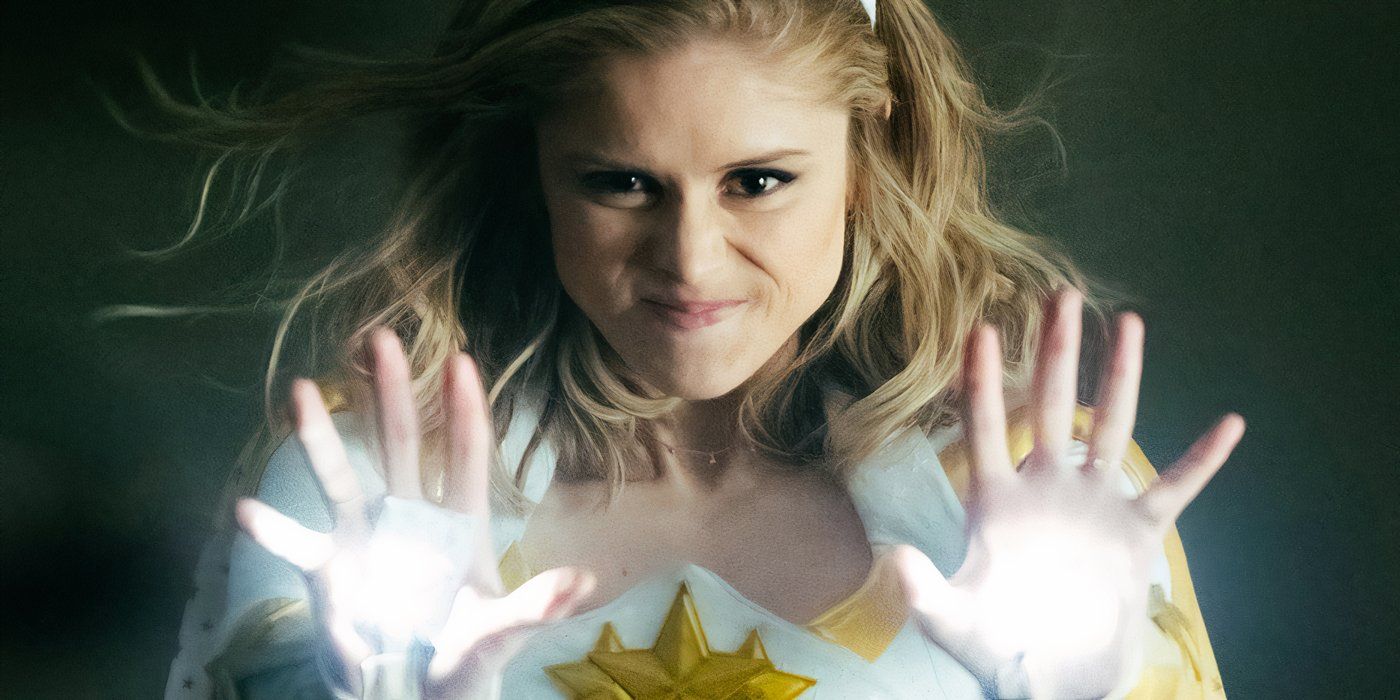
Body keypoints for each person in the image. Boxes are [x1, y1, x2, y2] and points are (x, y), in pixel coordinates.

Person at [155, 0, 1242, 697]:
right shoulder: (372, 494)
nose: (690, 259)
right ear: (532, 173)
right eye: (620, 182)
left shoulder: (1044, 500)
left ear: (864, 160)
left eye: (758, 181)